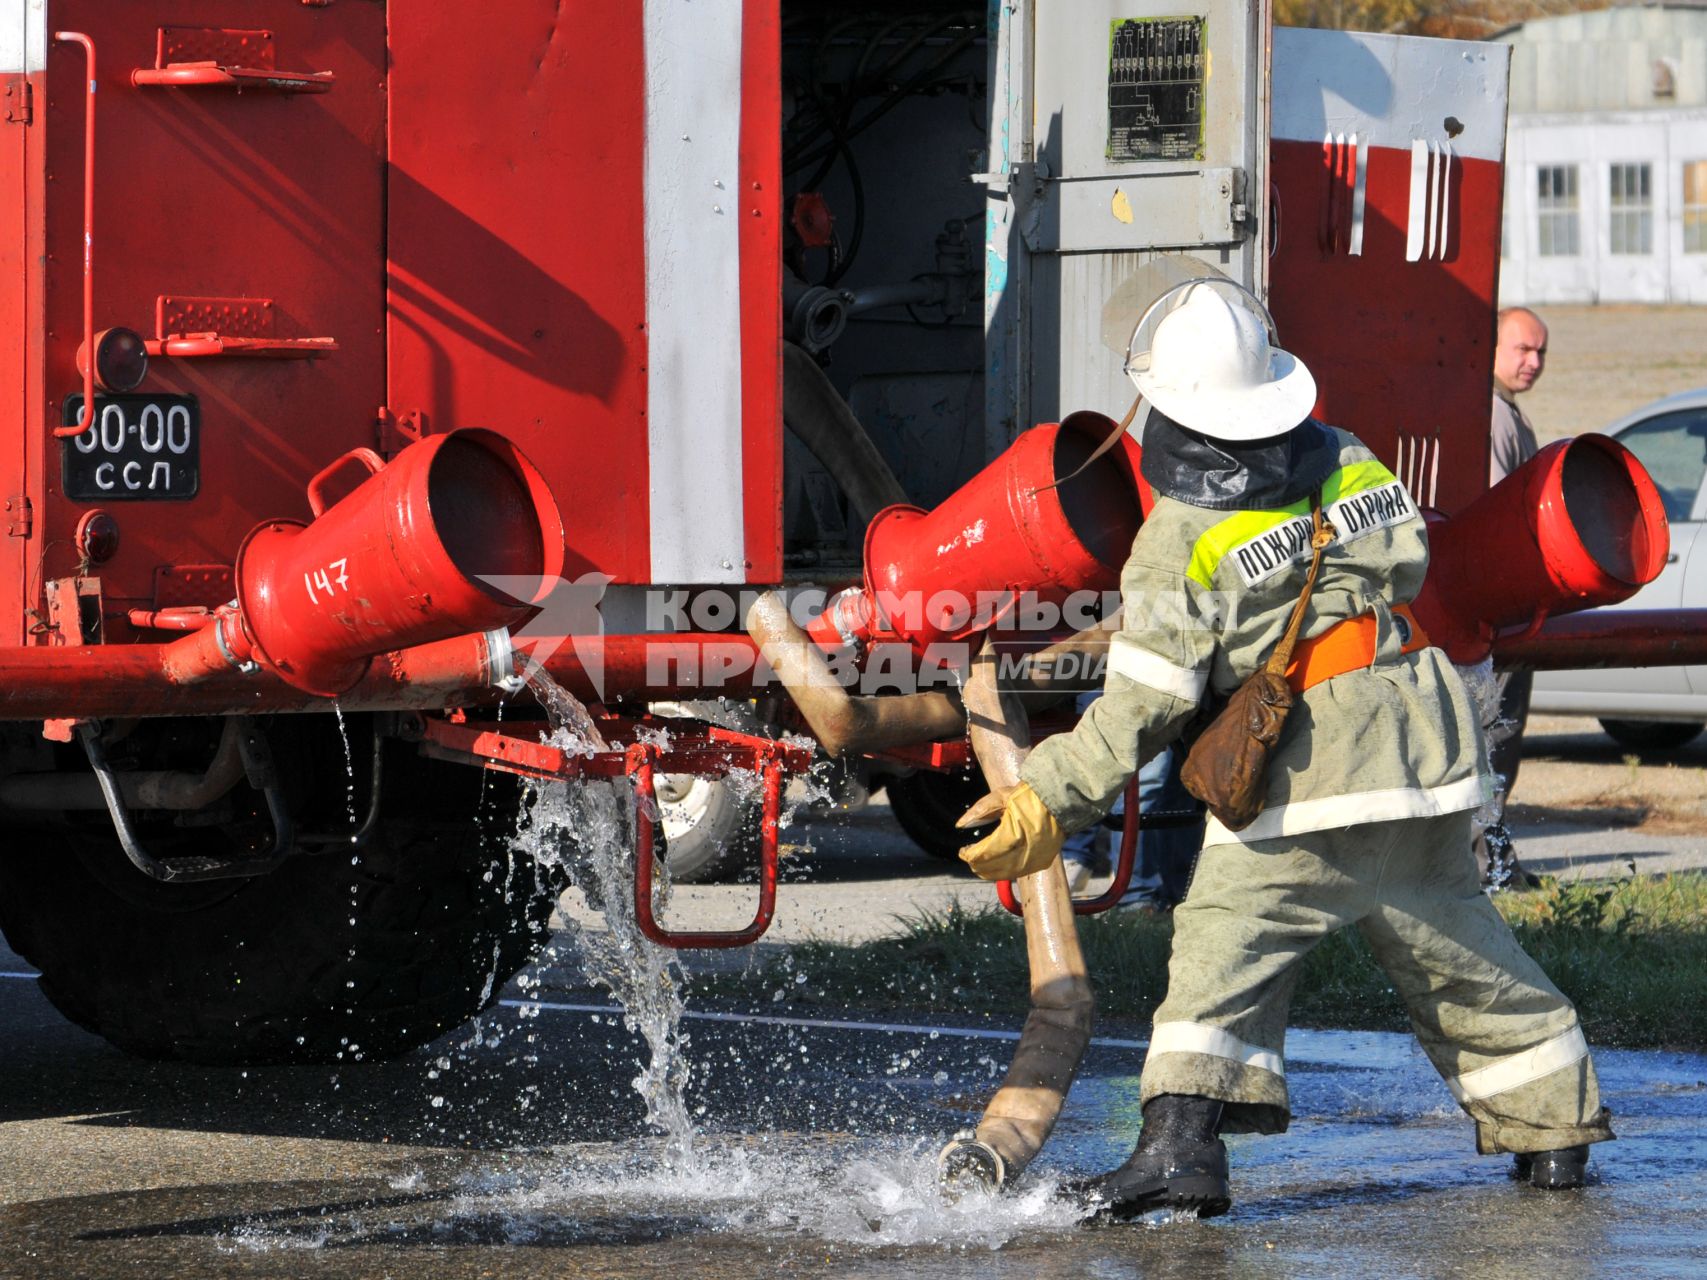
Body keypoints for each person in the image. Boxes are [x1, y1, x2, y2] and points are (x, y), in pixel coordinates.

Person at [959, 286, 1613, 1219]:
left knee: (1225, 942)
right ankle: (1555, 1134)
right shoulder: (1347, 455)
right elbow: (1409, 563)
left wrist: (1046, 800)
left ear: (1169, 407)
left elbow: (1143, 705)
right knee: (1458, 946)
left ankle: (1177, 1152)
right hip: (1421, 744)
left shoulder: (1176, 537)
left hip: (1314, 765)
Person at [1480, 306, 1549, 888]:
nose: (1533, 361)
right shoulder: (1496, 417)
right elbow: (1504, 515)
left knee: (1499, 732)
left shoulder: (1506, 413)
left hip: (1503, 606)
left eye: (1541, 352)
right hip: (1500, 609)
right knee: (1496, 731)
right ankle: (1490, 865)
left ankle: (1495, 858)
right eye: (1523, 349)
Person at [1059, 691, 1200, 911]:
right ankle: (1136, 895)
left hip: (1188, 684)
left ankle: (1177, 892)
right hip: (1149, 684)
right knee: (1146, 785)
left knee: (1183, 788)